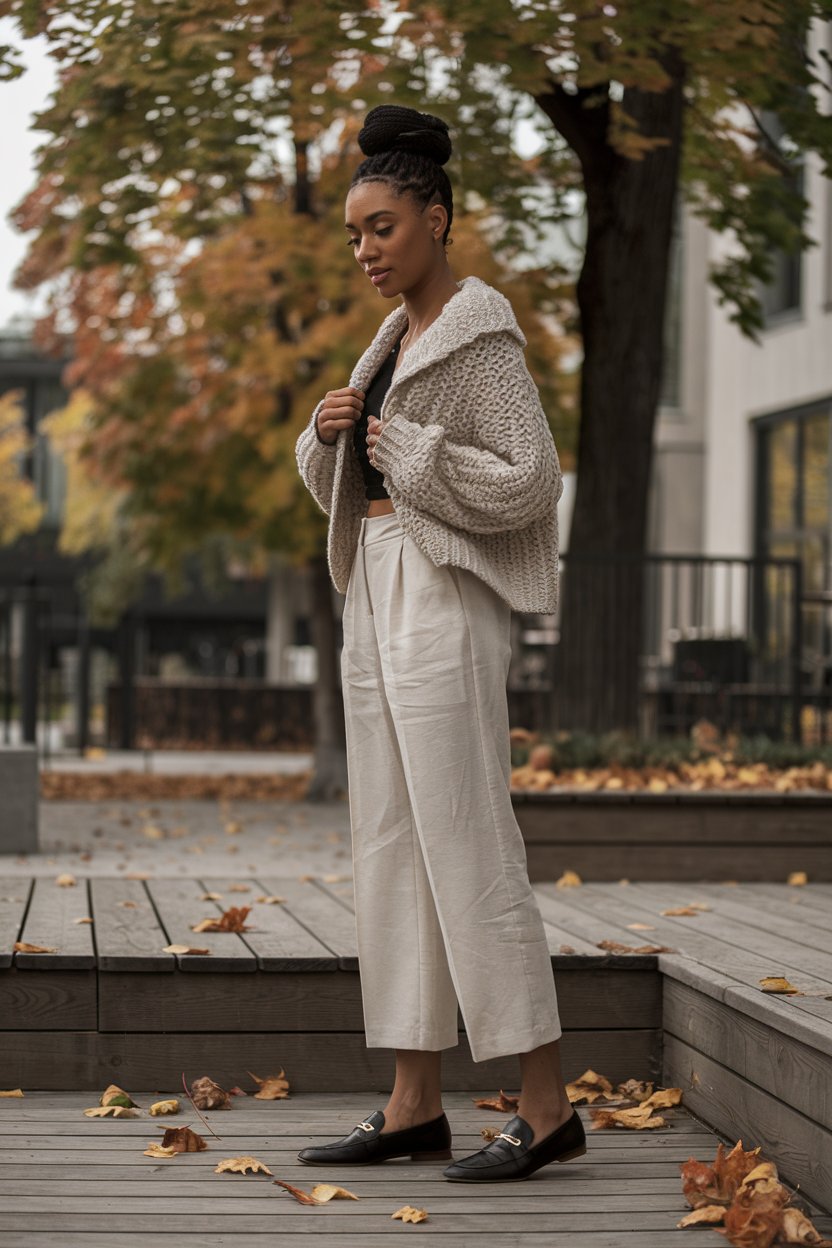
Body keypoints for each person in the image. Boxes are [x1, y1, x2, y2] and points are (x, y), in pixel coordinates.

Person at [293, 103, 585, 1182]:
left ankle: (547, 1106)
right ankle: (414, 1101)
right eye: (356, 235)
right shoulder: (391, 340)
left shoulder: (476, 332)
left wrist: (405, 453)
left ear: (437, 219)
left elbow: (530, 481)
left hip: (441, 591)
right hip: (372, 588)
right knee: (391, 843)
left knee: (467, 839)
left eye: (383, 228)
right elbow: (352, 470)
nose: (367, 251)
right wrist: (325, 437)